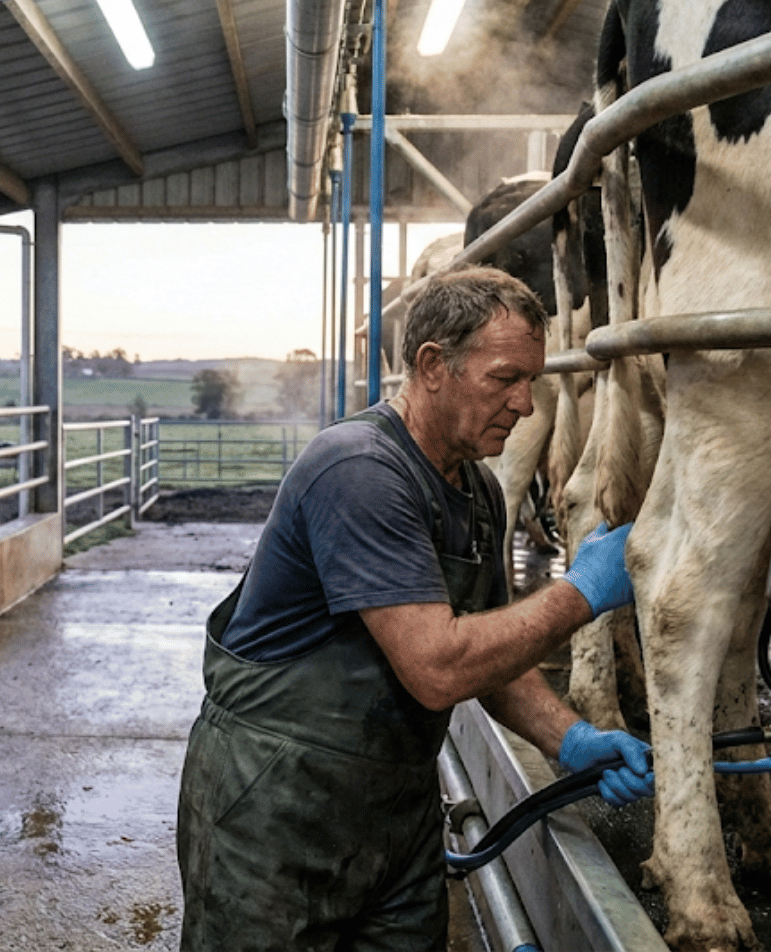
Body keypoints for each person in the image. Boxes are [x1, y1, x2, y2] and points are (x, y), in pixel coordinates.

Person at [175, 266, 652, 950]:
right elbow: (439, 666)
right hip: (275, 809)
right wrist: (577, 594)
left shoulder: (479, 493)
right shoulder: (360, 470)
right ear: (433, 365)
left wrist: (570, 740)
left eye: (533, 381)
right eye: (504, 378)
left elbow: (493, 660)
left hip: (394, 814)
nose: (524, 404)